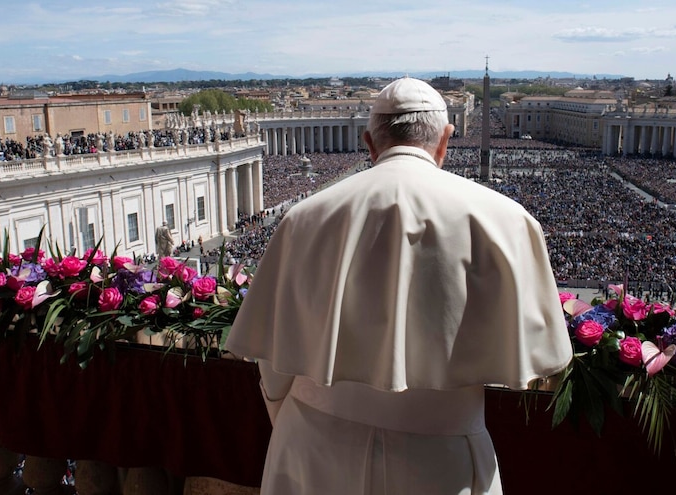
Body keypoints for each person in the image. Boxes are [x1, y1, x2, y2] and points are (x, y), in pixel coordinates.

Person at [226, 77, 572, 494]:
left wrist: (292, 419)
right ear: (446, 139)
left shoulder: (303, 218)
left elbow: (275, 353)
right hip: (440, 460)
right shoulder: (508, 221)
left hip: (310, 447)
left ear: (369, 142)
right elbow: (538, 357)